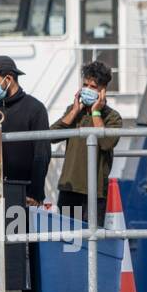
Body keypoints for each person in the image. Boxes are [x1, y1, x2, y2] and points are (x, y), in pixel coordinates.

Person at [50, 60, 124, 219]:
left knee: (91, 241)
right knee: (67, 238)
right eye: (85, 85)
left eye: (93, 87)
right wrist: (75, 110)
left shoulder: (112, 117)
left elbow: (107, 143)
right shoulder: (74, 111)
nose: (87, 89)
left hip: (95, 192)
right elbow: (51, 136)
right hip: (69, 188)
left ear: (103, 90)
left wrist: (96, 113)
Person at [0, 55, 50, 205]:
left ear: (8, 79)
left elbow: (42, 154)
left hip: (25, 194)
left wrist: (35, 193)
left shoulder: (35, 109)